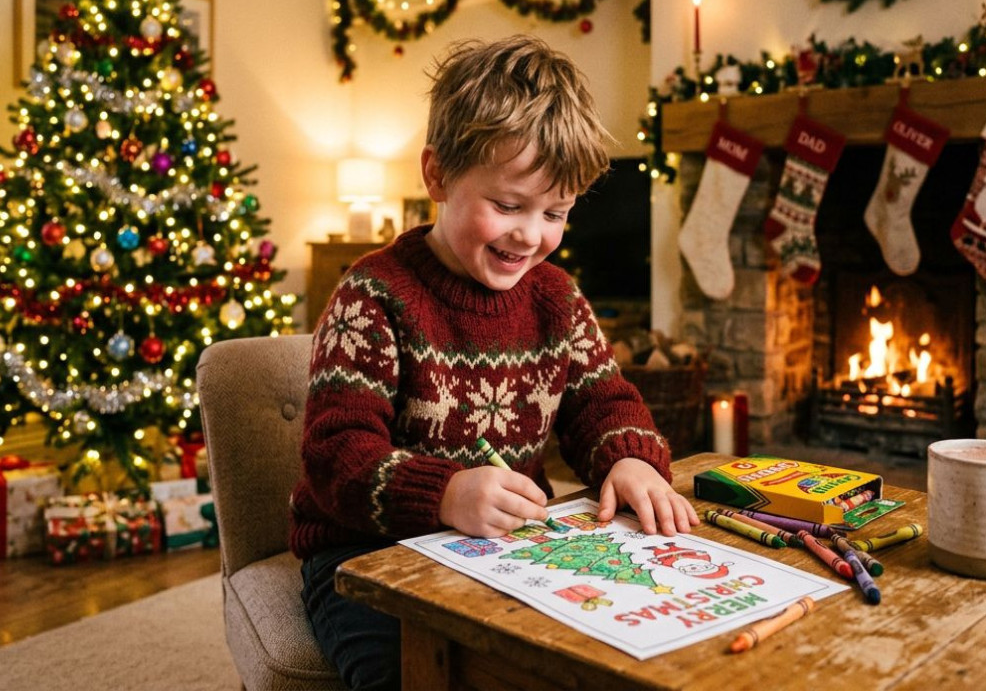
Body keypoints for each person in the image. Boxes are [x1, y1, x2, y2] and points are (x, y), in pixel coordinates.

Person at [290, 34, 696, 690]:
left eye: (555, 212)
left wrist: (626, 456)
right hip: (365, 557)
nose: (530, 235)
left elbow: (604, 403)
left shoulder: (556, 298)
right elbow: (336, 454)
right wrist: (444, 492)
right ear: (438, 176)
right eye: (508, 205)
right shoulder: (372, 296)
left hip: (501, 551)